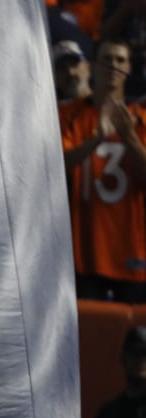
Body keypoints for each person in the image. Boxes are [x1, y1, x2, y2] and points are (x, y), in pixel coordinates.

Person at [61, 37, 146, 302]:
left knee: (135, 340)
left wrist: (129, 137)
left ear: (130, 68)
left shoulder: (142, 118)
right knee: (90, 338)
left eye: (120, 59)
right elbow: (58, 166)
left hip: (131, 249)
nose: (113, 65)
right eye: (107, 59)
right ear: (94, 66)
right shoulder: (70, 115)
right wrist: (96, 139)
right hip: (84, 253)